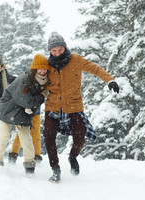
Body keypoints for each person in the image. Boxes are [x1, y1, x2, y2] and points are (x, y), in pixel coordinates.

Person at [44, 32, 120, 183]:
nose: (57, 53)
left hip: (73, 105)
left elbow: (95, 69)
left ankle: (72, 157)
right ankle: (55, 169)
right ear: (50, 51)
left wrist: (109, 80)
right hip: (53, 107)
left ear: (64, 47)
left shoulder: (76, 60)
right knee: (49, 138)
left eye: (60, 49)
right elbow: (33, 79)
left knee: (80, 137)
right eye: (54, 50)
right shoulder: (46, 65)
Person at [0, 54, 49, 176]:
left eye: (45, 68)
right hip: (7, 109)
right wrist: (42, 96)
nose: (43, 71)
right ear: (35, 68)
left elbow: (30, 102)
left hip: (22, 112)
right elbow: (25, 100)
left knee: (26, 137)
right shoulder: (25, 79)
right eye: (40, 68)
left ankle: (29, 164)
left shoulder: (44, 81)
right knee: (4, 135)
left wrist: (32, 107)